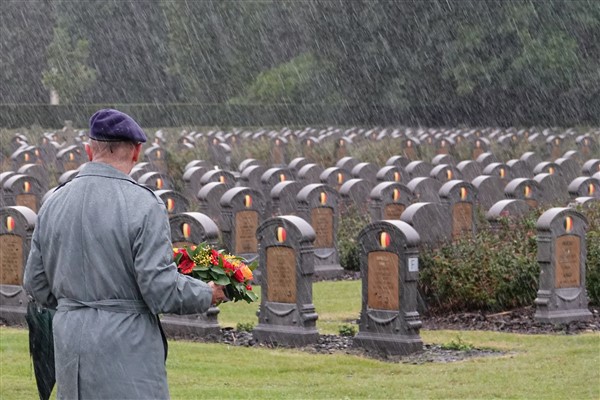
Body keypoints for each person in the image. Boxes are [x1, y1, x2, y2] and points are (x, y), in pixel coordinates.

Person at [24, 109, 226, 399]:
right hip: (126, 351)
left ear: (89, 150)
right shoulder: (143, 204)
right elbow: (159, 289)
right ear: (136, 152)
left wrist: (77, 306)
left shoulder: (53, 203)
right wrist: (207, 293)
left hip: (70, 347)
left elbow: (35, 282)